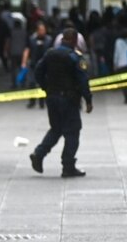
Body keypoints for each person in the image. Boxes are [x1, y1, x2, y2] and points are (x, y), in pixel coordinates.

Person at [28, 28, 92, 178]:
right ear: (75, 40)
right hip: (69, 99)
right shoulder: (74, 57)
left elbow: (38, 71)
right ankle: (68, 166)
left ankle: (39, 154)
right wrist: (88, 99)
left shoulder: (50, 53)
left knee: (56, 129)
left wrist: (46, 87)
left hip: (52, 98)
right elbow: (83, 80)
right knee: (72, 131)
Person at [22, 22, 50, 109]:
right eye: (41, 30)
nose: (42, 32)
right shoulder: (31, 39)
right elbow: (27, 50)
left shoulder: (49, 40)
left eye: (44, 30)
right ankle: (32, 101)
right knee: (31, 83)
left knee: (43, 84)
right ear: (37, 31)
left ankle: (42, 102)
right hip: (33, 65)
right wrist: (24, 62)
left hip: (45, 65)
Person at [7, 19, 28, 88]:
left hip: (13, 52)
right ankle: (23, 83)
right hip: (22, 53)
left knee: (14, 70)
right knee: (22, 68)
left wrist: (7, 51)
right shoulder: (24, 32)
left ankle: (14, 84)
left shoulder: (11, 32)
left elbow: (8, 42)